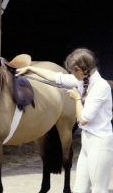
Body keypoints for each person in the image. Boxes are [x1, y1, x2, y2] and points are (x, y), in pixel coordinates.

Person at [15, 48, 113, 193]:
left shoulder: (100, 87)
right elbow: (55, 77)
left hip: (99, 144)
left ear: (82, 69)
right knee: (79, 189)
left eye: (74, 71)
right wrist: (31, 69)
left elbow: (84, 118)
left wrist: (77, 98)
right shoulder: (81, 80)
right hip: (87, 143)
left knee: (99, 190)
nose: (72, 74)